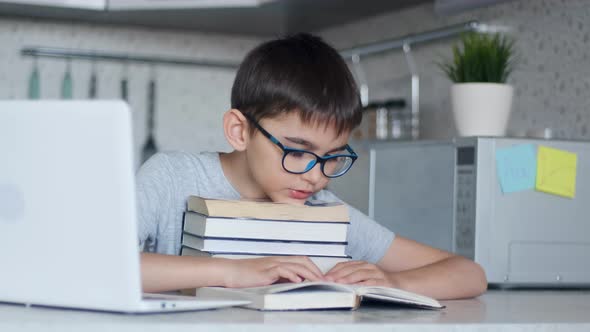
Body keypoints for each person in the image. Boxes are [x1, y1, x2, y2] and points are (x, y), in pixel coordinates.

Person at [137, 33, 487, 299]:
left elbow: (469, 273)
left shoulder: (326, 212)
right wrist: (229, 272)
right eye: (298, 151)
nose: (316, 176)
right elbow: (95, 263)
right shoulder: (171, 177)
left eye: (332, 156)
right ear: (239, 131)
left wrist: (394, 282)